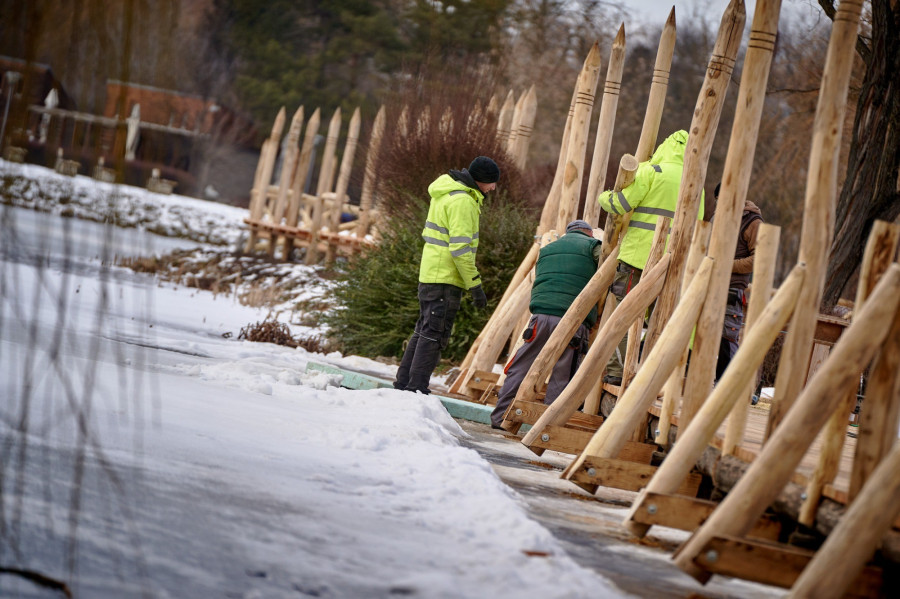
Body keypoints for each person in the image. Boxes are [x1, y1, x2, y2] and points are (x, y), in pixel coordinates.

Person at [596, 129, 702, 385]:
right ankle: (650, 375)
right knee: (660, 320)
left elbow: (619, 204)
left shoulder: (651, 172)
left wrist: (604, 196)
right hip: (671, 263)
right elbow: (698, 226)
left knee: (623, 315)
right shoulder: (697, 182)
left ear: (665, 147)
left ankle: (615, 373)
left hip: (635, 259)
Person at [394, 156, 501, 394]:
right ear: (481, 180)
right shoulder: (463, 201)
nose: (493, 188)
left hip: (432, 274)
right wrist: (475, 285)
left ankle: (405, 384)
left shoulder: (448, 193)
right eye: (492, 182)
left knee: (424, 329)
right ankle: (416, 388)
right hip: (445, 277)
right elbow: (460, 250)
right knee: (435, 333)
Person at [490, 220, 601, 428]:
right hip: (573, 319)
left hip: (540, 317)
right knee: (563, 372)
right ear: (589, 233)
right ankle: (547, 427)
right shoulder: (593, 246)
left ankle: (500, 416)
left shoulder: (548, 248)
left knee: (521, 366)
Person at [714, 182, 764, 381]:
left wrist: (727, 265)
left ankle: (724, 387)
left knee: (727, 341)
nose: (718, 205)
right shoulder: (718, 217)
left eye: (721, 200)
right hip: (710, 285)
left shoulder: (752, 222)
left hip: (732, 289)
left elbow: (758, 258)